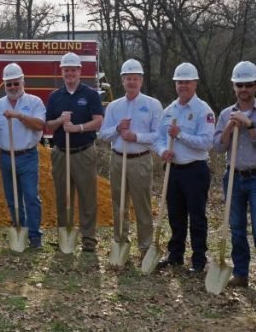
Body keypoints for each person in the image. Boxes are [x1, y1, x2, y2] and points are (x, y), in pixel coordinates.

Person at [213, 61, 256, 293]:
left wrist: (250, 125)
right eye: (239, 85)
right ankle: (241, 273)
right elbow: (219, 148)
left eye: (248, 85)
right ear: (234, 86)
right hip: (233, 177)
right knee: (237, 228)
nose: (244, 89)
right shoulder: (224, 114)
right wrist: (229, 127)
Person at [153, 62, 215, 273]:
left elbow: (207, 142)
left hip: (195, 171)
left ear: (195, 83)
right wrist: (163, 151)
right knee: (175, 216)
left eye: (187, 82)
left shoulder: (203, 111)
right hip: (173, 170)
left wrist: (180, 135)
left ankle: (199, 260)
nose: (183, 86)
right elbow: (158, 139)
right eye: (179, 82)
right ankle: (175, 255)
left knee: (197, 217)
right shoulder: (169, 110)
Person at [98, 59, 163, 258]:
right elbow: (102, 135)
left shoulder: (152, 105)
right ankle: (120, 242)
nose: (131, 82)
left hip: (140, 159)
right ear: (122, 81)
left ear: (141, 80)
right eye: (128, 79)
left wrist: (136, 137)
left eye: (135, 78)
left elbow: (159, 136)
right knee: (119, 203)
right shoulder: (114, 107)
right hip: (118, 159)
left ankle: (145, 247)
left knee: (142, 205)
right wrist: (117, 129)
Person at [46, 52, 104, 252]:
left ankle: (88, 239)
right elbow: (49, 125)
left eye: (73, 70)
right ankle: (65, 235)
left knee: (87, 196)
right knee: (63, 197)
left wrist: (78, 128)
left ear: (80, 71)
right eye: (66, 70)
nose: (69, 73)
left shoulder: (90, 94)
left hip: (84, 152)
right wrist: (60, 121)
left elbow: (98, 121)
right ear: (62, 72)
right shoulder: (55, 97)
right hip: (61, 152)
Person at [0, 63, 46, 248]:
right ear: (4, 85)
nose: (12, 88)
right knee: (12, 198)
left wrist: (19, 116)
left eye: (16, 83)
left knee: (31, 196)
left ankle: (34, 235)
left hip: (27, 156)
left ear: (23, 82)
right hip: (6, 156)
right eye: (9, 84)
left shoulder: (34, 102)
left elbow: (39, 125)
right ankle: (19, 228)